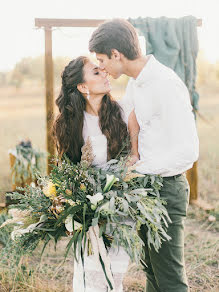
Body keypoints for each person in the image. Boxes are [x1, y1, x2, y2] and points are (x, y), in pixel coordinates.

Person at [89, 18, 199, 292]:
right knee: (152, 270)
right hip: (146, 189)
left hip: (167, 189)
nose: (101, 67)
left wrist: (139, 169)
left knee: (170, 278)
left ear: (117, 54)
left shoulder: (165, 84)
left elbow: (188, 151)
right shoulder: (137, 85)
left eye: (102, 59)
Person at [53, 56, 132, 291]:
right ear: (82, 86)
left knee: (115, 276)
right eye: (96, 73)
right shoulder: (68, 123)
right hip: (88, 213)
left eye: (102, 70)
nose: (105, 74)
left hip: (122, 206)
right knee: (92, 276)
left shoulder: (122, 113)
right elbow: (69, 170)